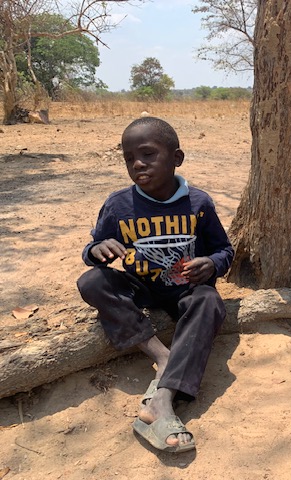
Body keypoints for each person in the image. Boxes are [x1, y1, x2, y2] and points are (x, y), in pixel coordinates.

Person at [77, 117, 234, 453]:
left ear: (176, 158)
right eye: (129, 158)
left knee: (209, 301)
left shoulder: (199, 204)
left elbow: (224, 249)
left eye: (147, 154)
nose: (137, 164)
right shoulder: (118, 206)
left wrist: (212, 264)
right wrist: (97, 251)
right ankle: (161, 356)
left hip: (184, 290)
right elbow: (92, 250)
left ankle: (163, 398)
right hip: (139, 287)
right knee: (91, 281)